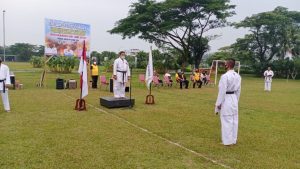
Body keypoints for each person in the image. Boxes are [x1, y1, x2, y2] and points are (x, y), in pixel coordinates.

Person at [215, 58, 241, 146]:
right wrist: (236, 101)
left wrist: (218, 103)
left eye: (225, 64)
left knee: (227, 120)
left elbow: (222, 91)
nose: (224, 65)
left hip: (227, 98)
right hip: (233, 98)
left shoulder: (225, 76)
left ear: (228, 65)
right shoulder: (238, 76)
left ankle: (227, 141)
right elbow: (238, 91)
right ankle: (233, 139)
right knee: (234, 120)